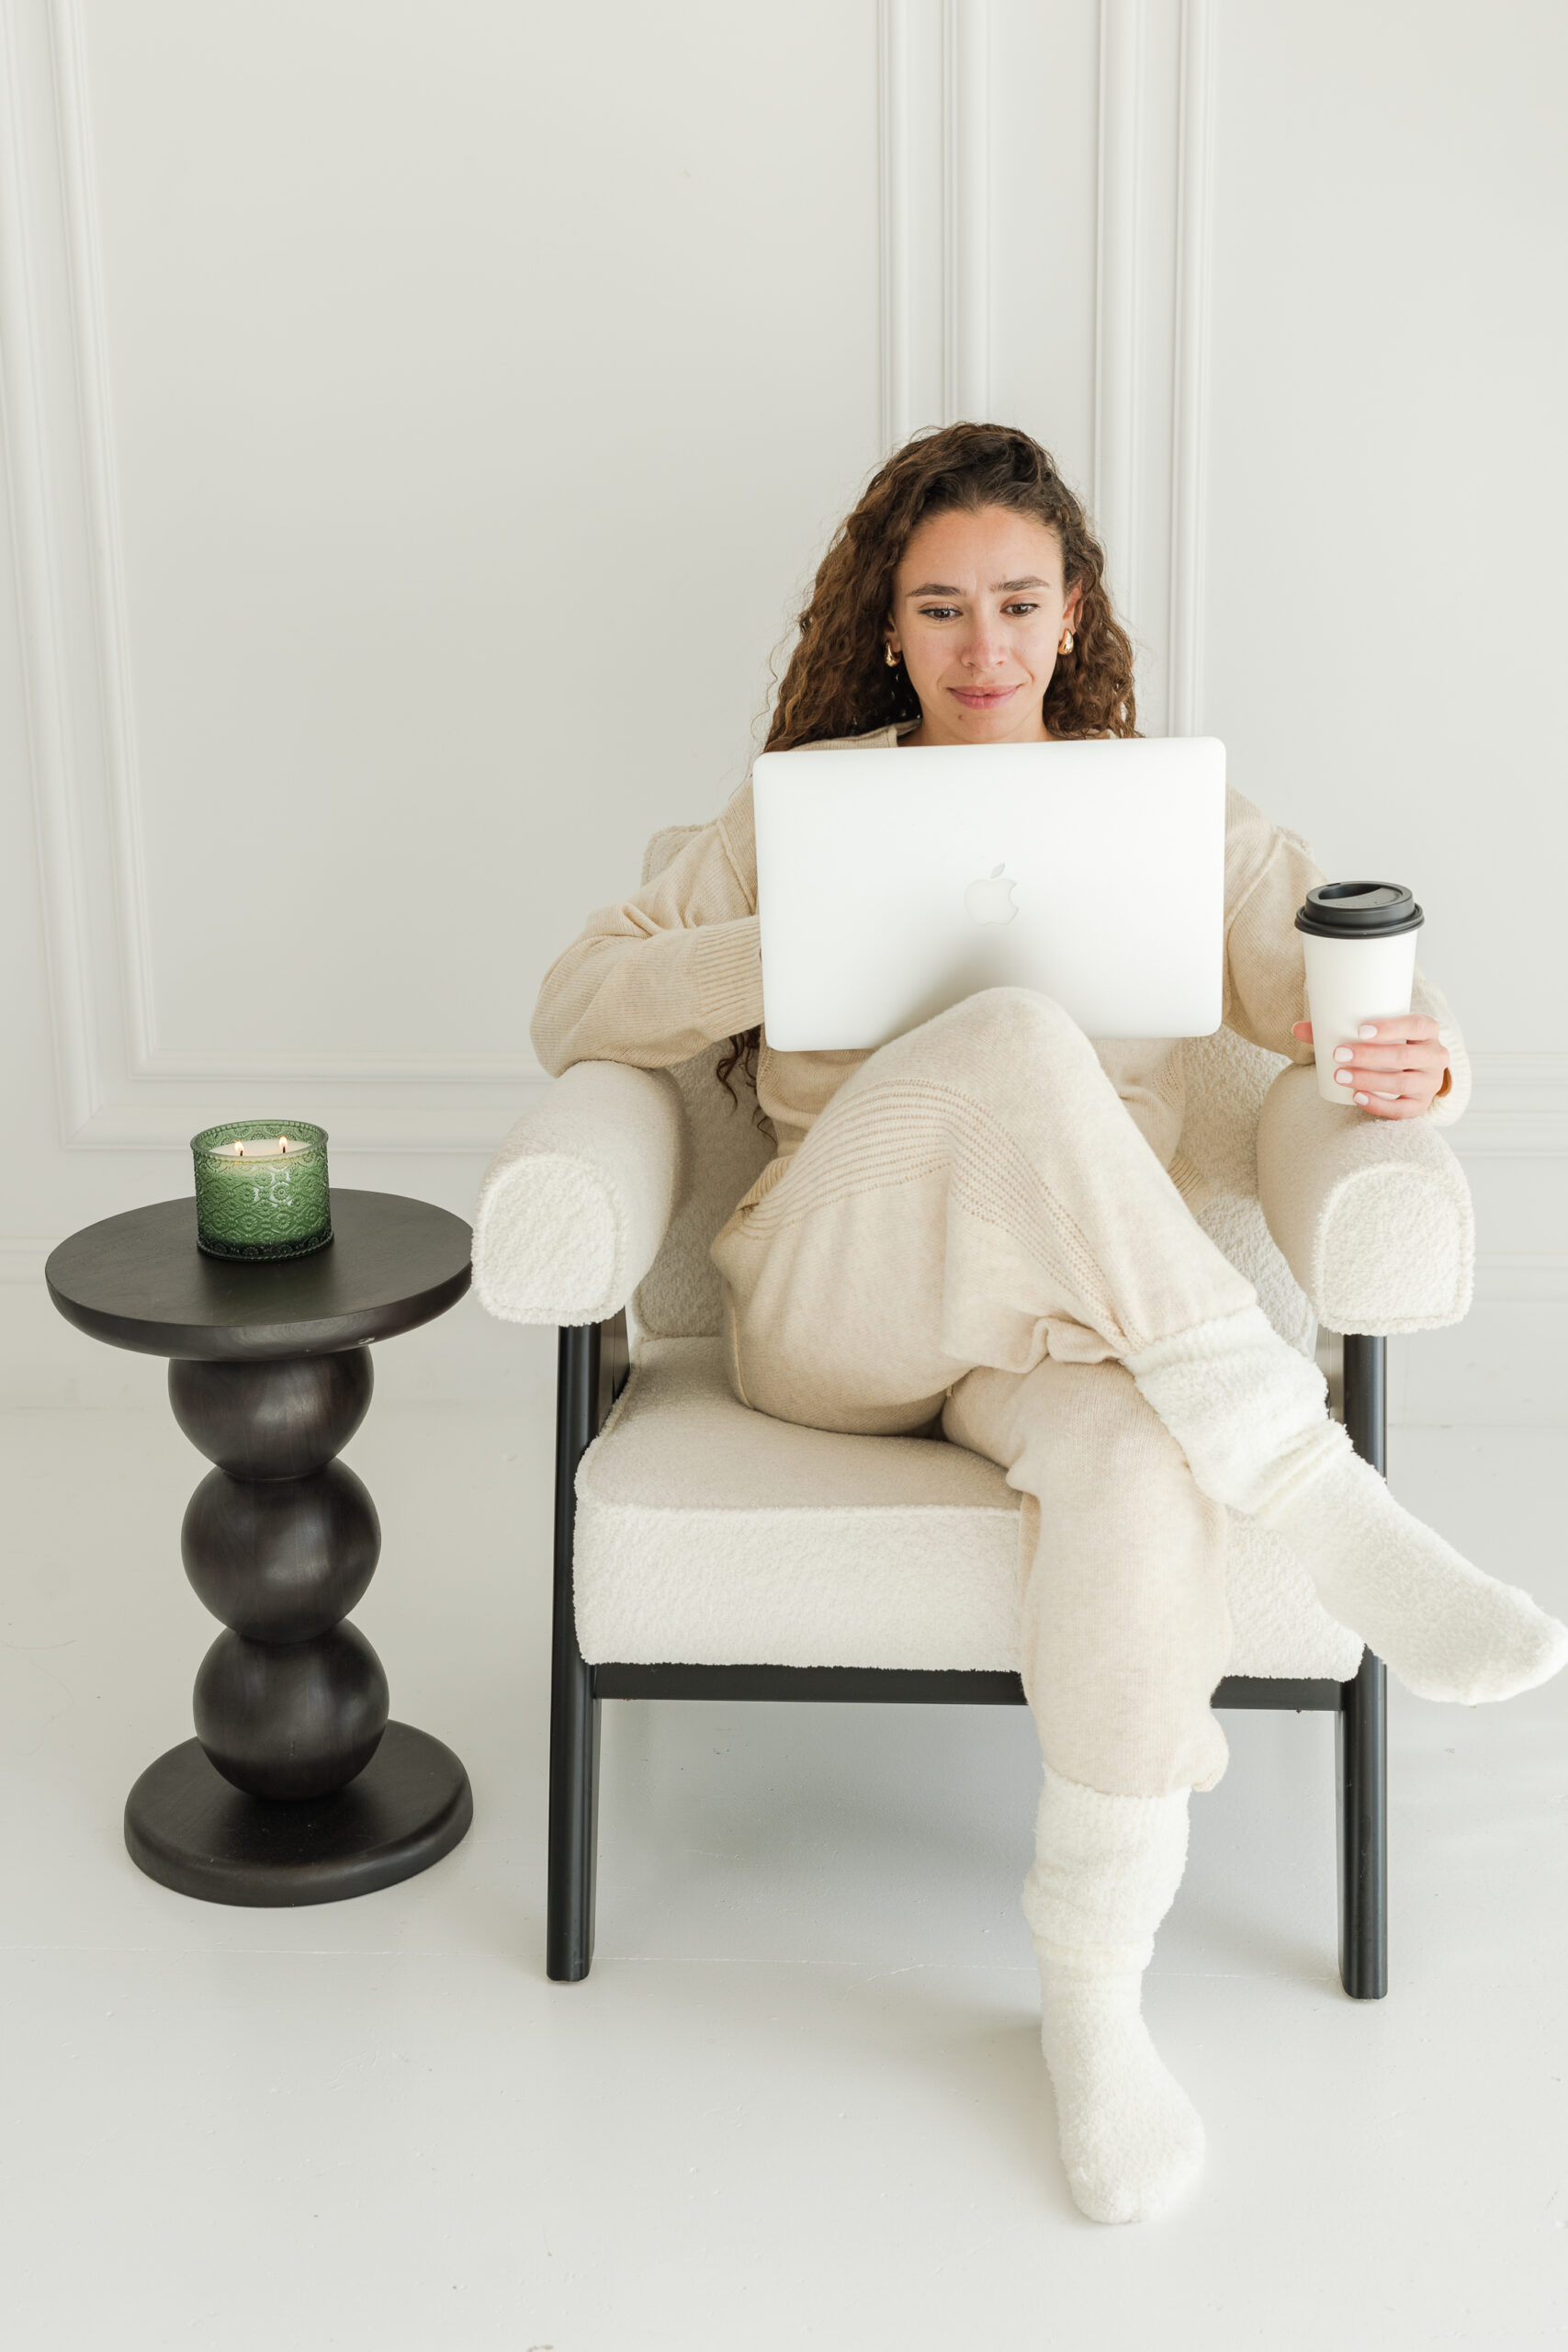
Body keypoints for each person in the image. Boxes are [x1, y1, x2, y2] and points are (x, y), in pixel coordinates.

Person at [531, 422, 1568, 2225]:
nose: (980, 644)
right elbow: (573, 1001)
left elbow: (1328, 967)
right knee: (1012, 1037)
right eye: (939, 609)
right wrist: (781, 938)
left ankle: (1090, 1999)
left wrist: (1430, 1045)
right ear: (889, 630)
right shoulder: (797, 803)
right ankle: (1310, 1487)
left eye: (1015, 602)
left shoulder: (1164, 816)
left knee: (1129, 1470)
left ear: (1070, 607)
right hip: (837, 1310)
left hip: (1063, 1337)